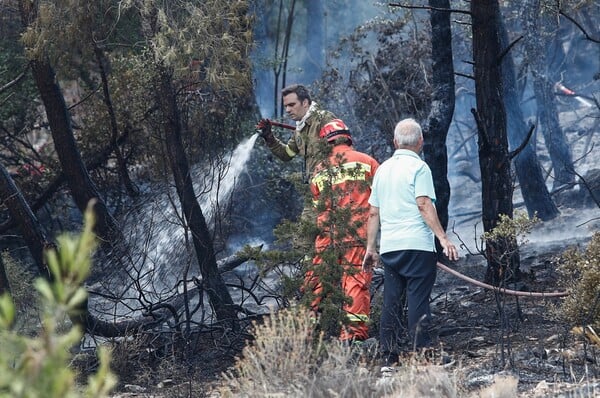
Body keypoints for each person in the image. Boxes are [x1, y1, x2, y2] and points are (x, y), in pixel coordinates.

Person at [362, 118, 459, 366]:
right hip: (417, 246)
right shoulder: (420, 168)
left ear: (395, 142)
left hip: (391, 248)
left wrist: (370, 249)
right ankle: (423, 356)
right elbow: (423, 204)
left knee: (392, 301)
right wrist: (443, 238)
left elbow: (373, 212)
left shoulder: (382, 169)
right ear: (420, 142)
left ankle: (389, 358)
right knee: (418, 300)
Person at [304, 119, 379, 342]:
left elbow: (318, 208)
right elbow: (380, 199)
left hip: (326, 237)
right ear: (348, 138)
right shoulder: (368, 163)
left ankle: (306, 336)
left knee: (316, 284)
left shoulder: (318, 171)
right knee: (355, 283)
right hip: (357, 236)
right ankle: (353, 338)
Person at [256, 84, 337, 183]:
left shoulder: (323, 119)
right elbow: (287, 154)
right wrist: (269, 137)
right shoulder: (299, 130)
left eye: (291, 105)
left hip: (332, 186)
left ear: (305, 103)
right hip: (315, 188)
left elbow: (342, 153)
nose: (287, 110)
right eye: (286, 106)